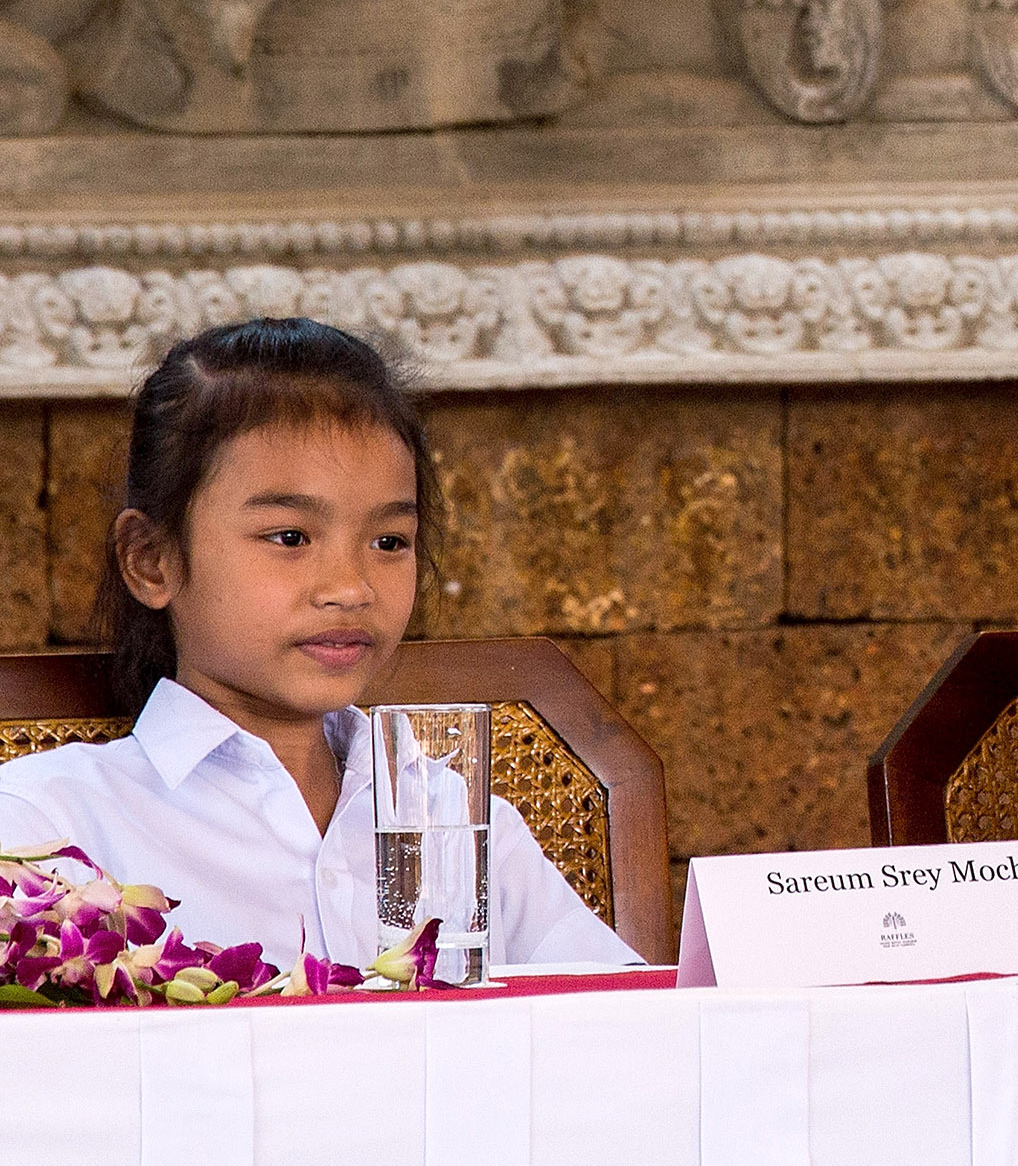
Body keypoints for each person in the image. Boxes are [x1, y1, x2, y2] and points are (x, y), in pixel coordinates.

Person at [0, 318, 640, 969]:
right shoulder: (46, 831)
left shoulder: (459, 823)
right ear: (152, 559)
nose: (351, 588)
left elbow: (629, 1038)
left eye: (389, 542)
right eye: (290, 537)